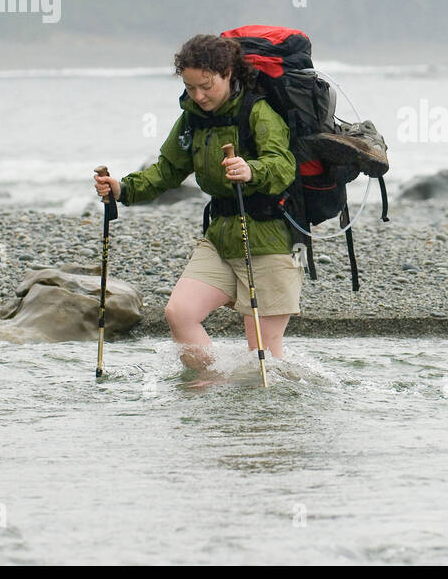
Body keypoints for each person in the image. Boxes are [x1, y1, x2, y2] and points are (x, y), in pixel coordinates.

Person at [93, 33, 303, 371]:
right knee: (180, 313)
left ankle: (270, 416)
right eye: (190, 88)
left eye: (206, 86)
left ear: (228, 74)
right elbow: (167, 170)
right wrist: (122, 189)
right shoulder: (193, 118)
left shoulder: (258, 111)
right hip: (220, 237)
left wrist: (252, 170)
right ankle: (207, 391)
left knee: (261, 356)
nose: (198, 96)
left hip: (269, 240)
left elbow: (283, 165)